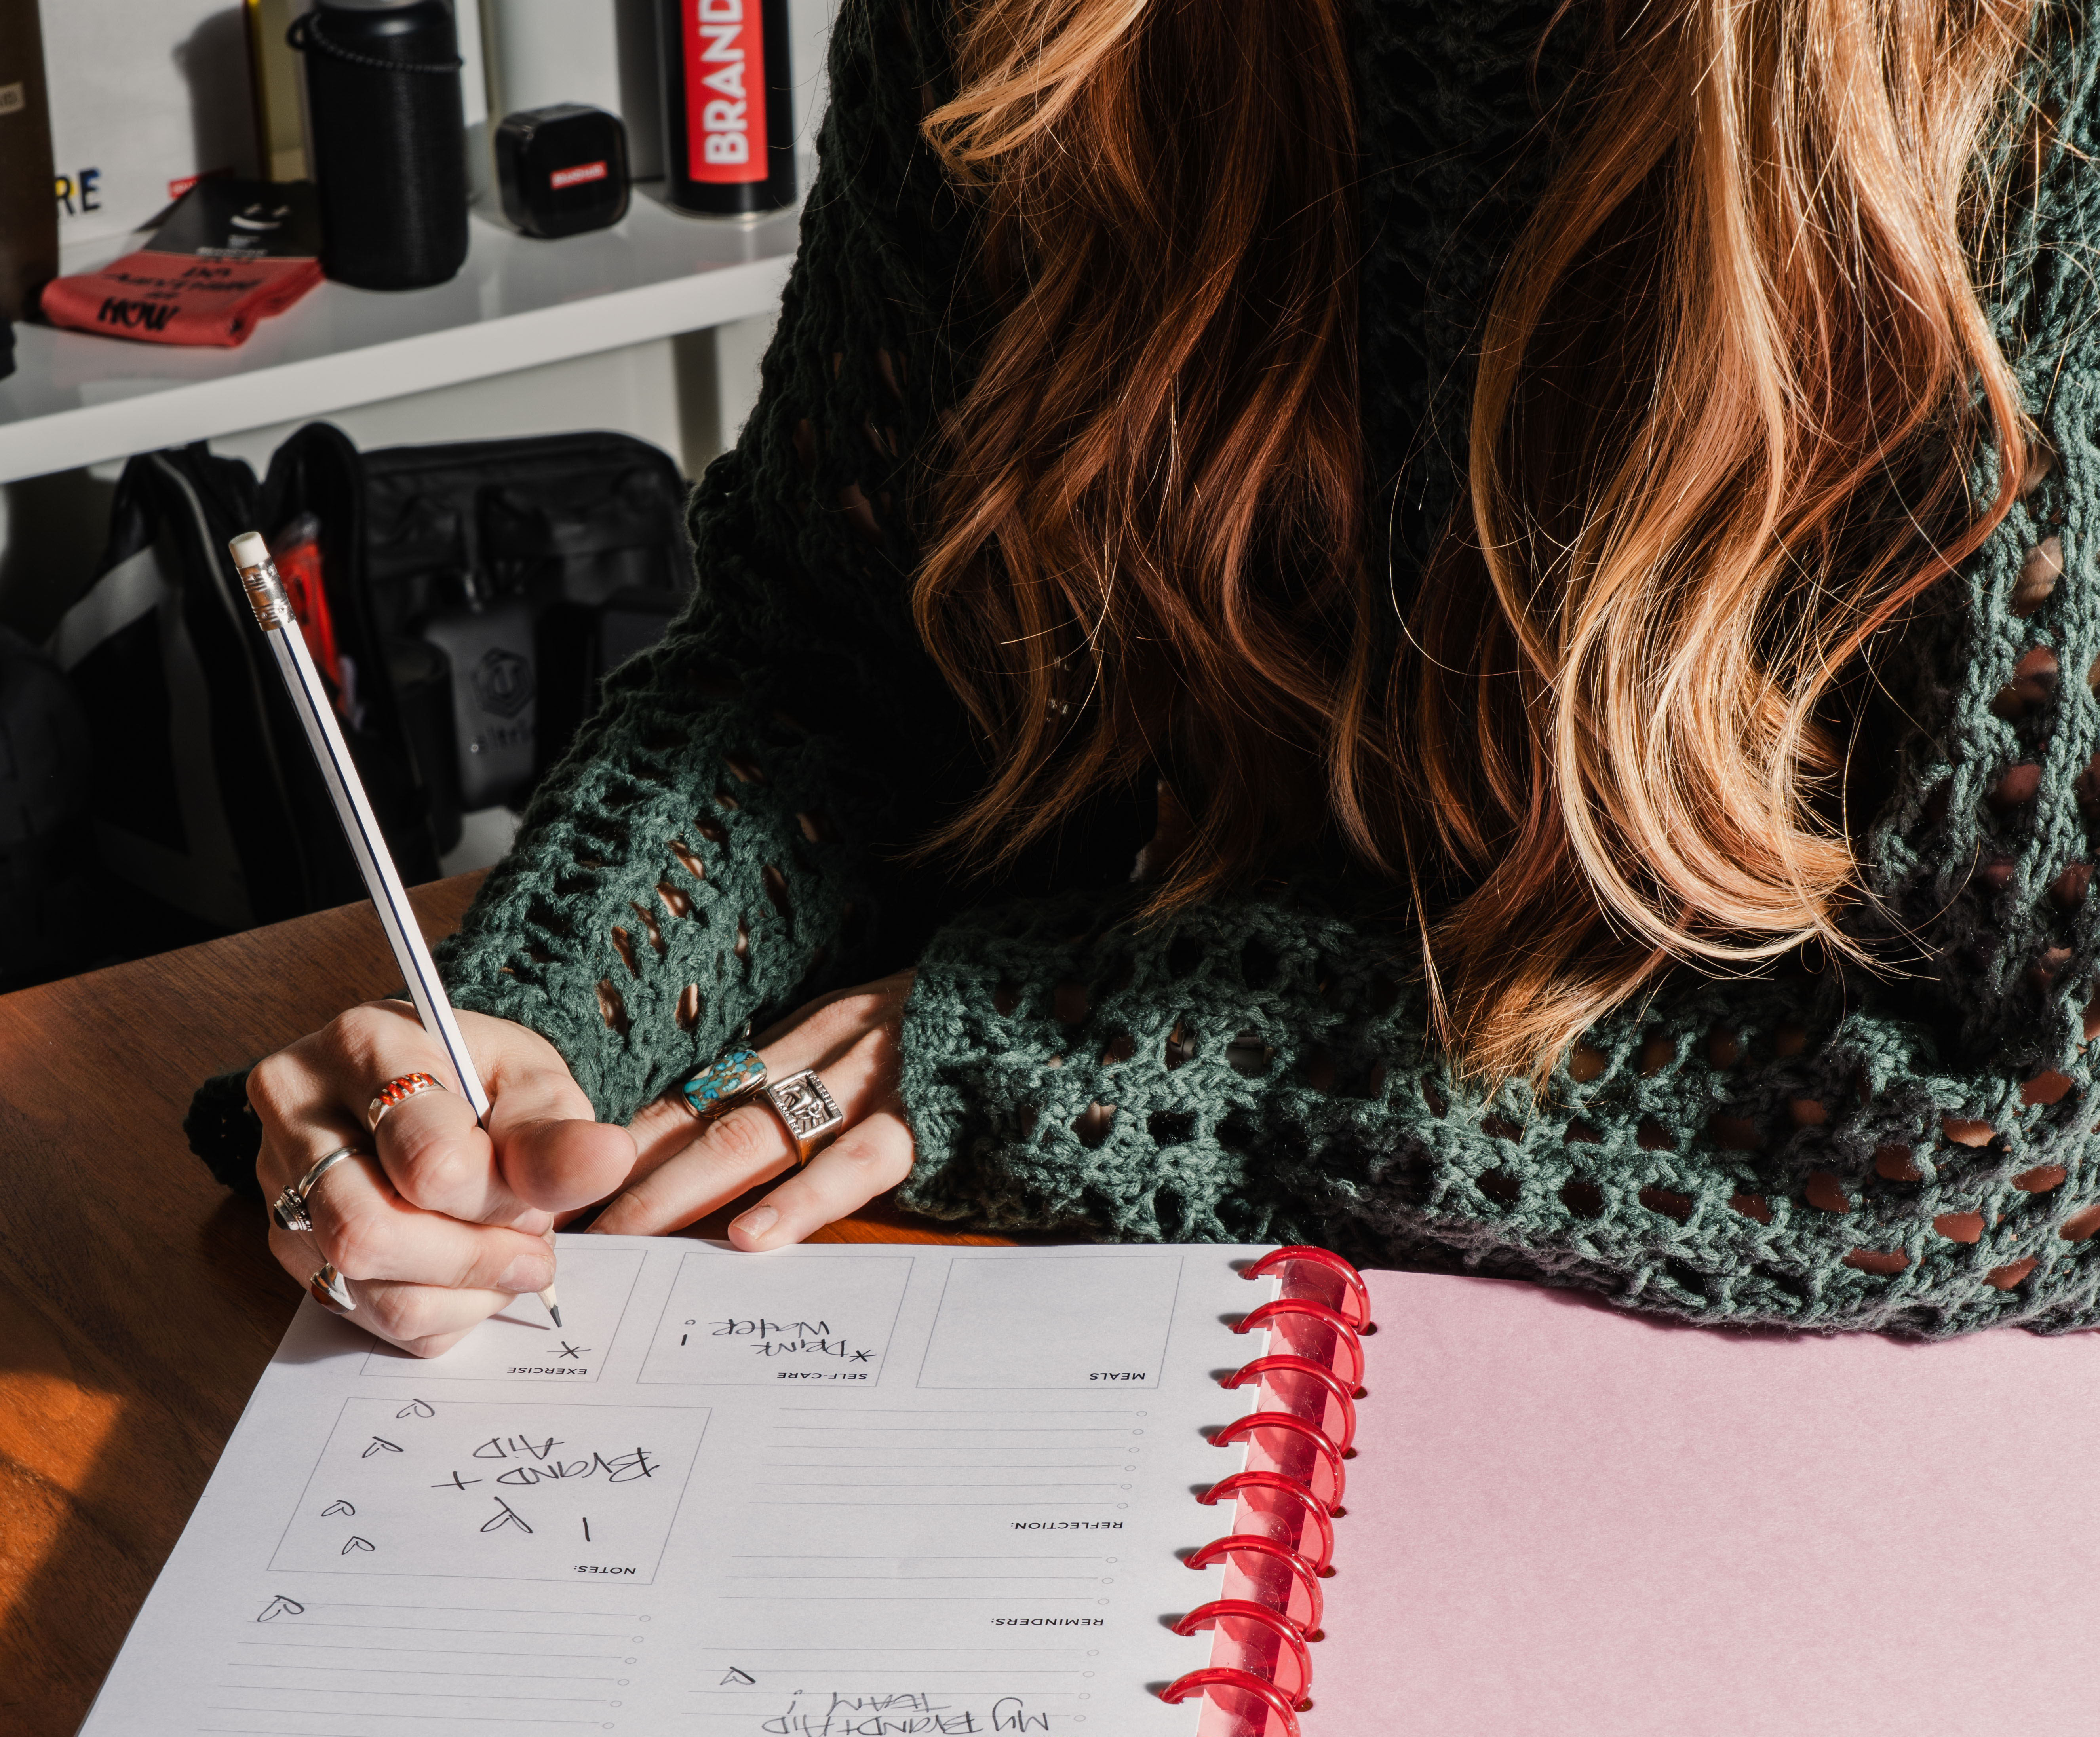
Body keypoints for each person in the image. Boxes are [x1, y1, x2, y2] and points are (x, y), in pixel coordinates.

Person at [199, 0, 2100, 1349]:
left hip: (1772, 1428)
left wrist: (1130, 1048)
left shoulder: (2022, 75)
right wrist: (541, 1034)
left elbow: (2048, 1112)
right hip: (1103, 1338)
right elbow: (827, 662)